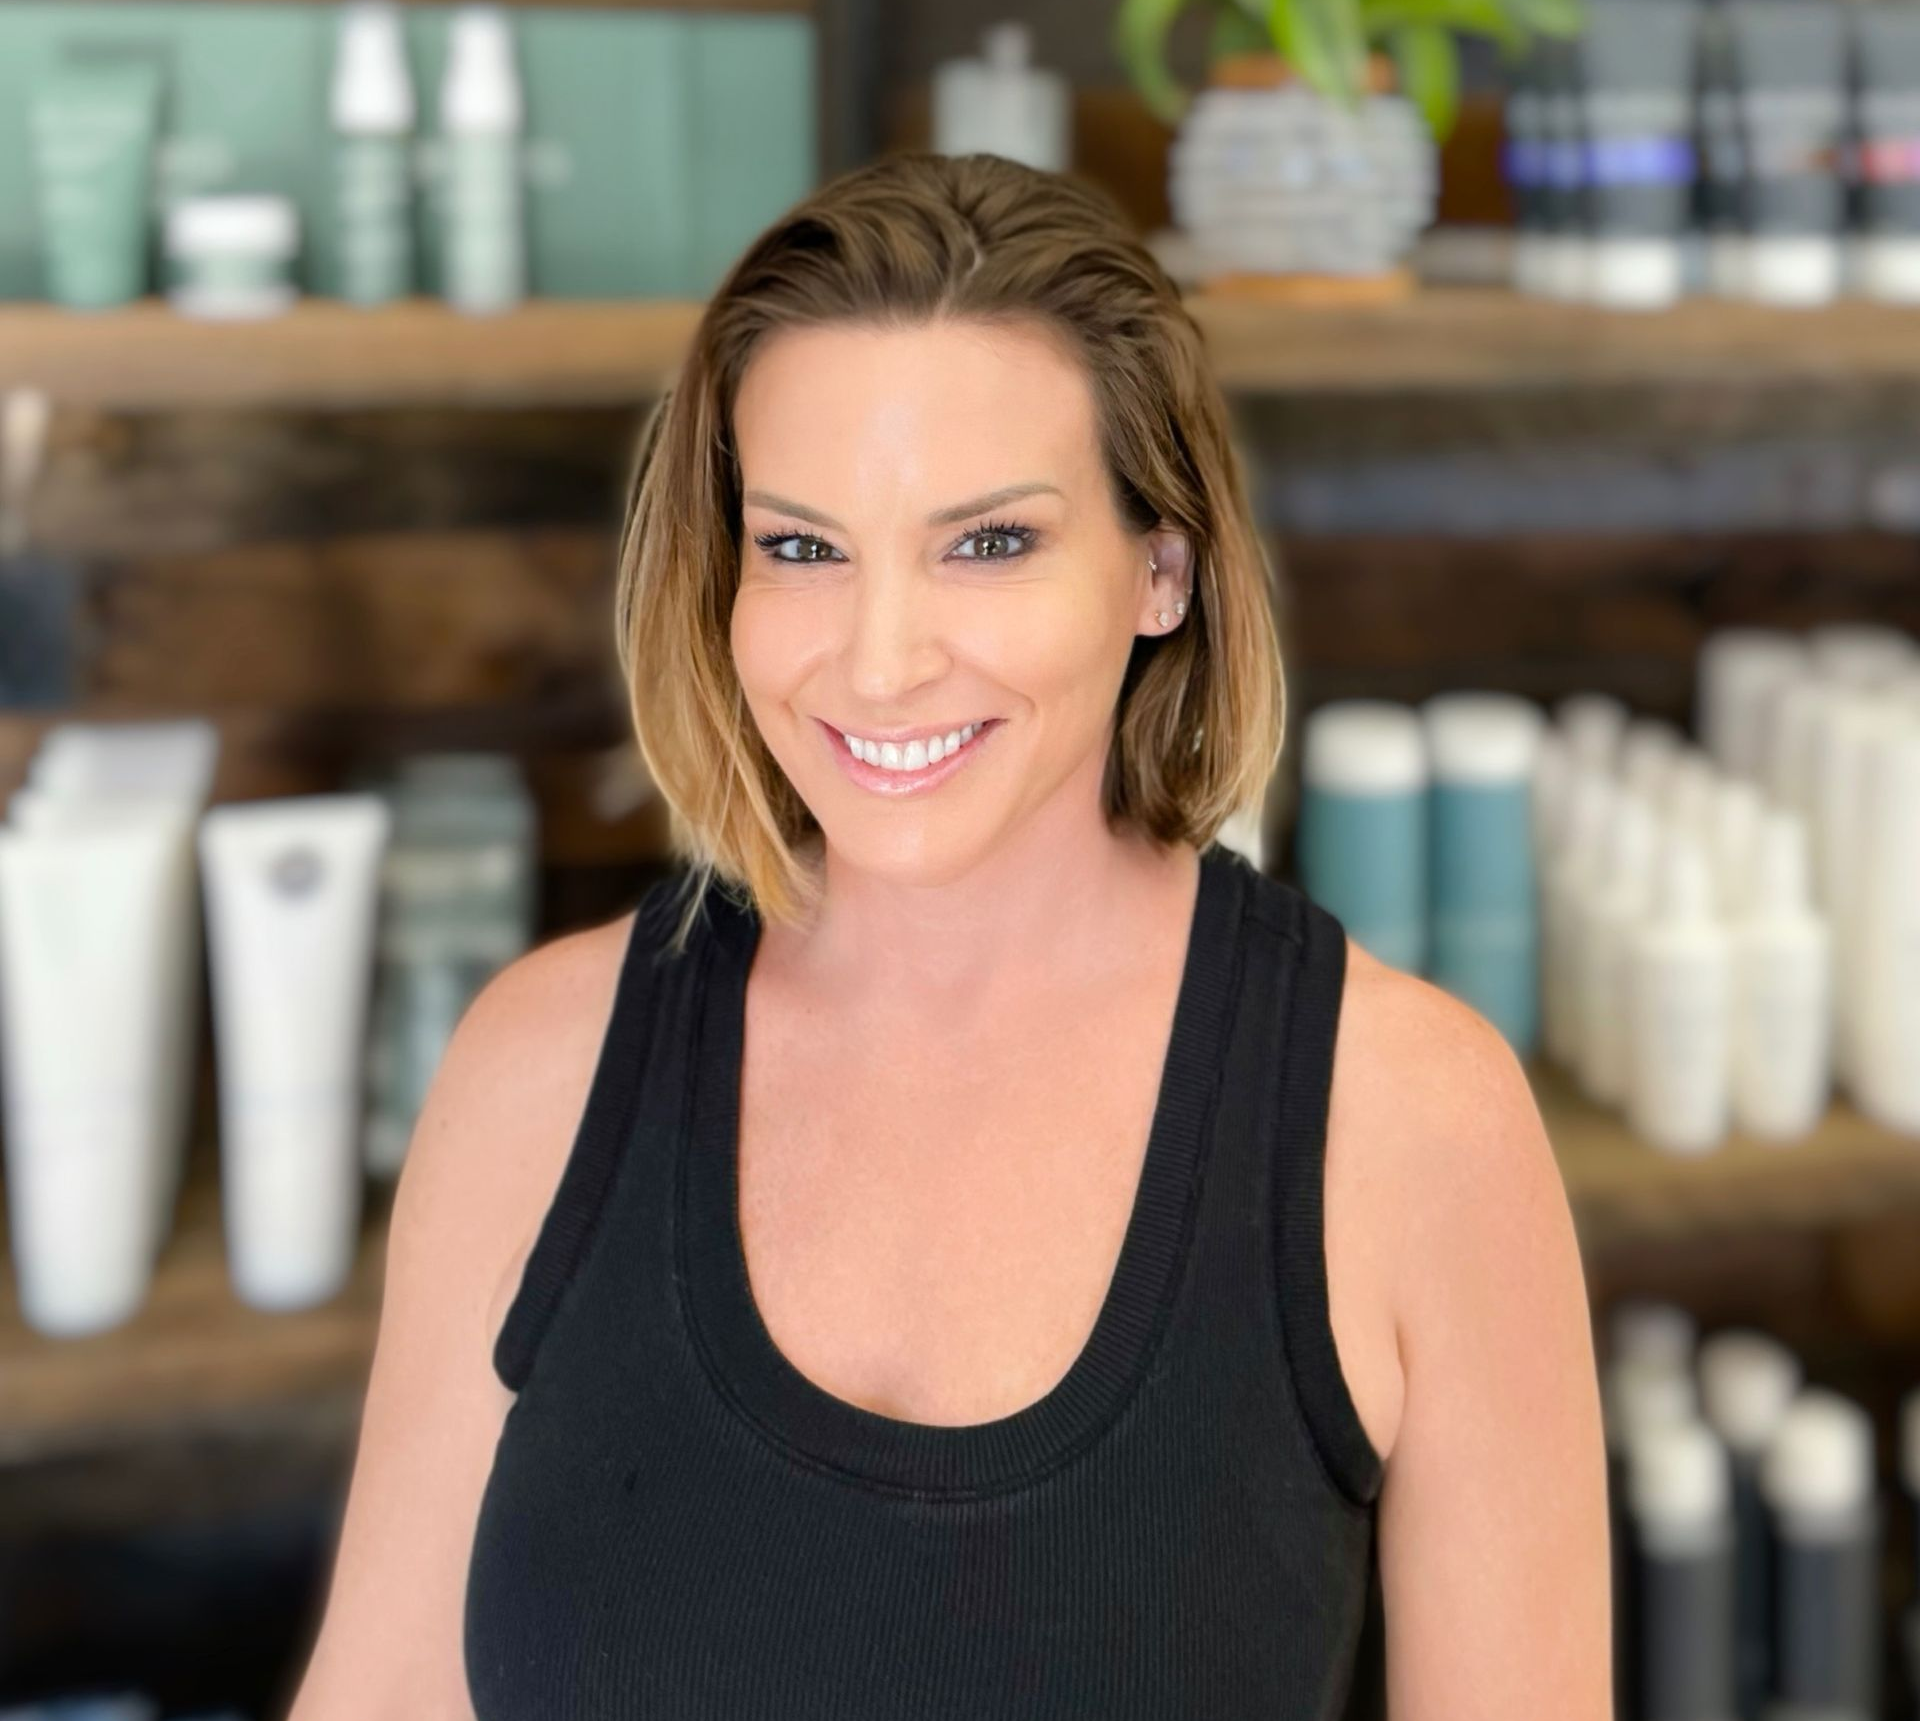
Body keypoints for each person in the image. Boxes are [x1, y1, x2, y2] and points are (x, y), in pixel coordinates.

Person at [288, 151, 1610, 1720]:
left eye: (988, 543)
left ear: (1161, 567)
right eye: (801, 546)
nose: (882, 657)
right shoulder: (538, 1071)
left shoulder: (1412, 1123)